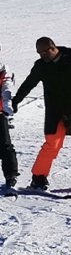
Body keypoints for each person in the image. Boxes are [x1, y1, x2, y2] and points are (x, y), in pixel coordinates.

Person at [11, 38, 71, 191]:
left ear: (51, 48)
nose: (41, 56)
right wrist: (16, 100)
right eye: (39, 53)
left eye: (43, 52)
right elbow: (29, 83)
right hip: (54, 112)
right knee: (52, 145)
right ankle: (38, 178)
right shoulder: (41, 65)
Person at [1, 44, 18, 189]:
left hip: (0, 113)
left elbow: (7, 87)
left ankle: (11, 175)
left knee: (5, 145)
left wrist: (7, 106)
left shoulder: (3, 70)